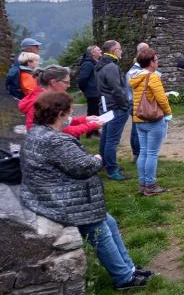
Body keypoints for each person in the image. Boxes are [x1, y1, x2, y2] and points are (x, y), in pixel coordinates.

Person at [20, 92, 153, 290]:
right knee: (99, 228)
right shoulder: (55, 141)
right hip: (59, 201)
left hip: (47, 195)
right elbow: (83, 167)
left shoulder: (38, 133)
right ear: (60, 114)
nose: (71, 116)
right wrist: (97, 159)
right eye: (69, 112)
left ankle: (129, 268)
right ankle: (123, 278)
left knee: (109, 221)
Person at [129, 48, 172, 196]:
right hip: (154, 119)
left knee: (144, 152)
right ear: (151, 62)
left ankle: (143, 183)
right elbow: (161, 98)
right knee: (152, 153)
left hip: (139, 118)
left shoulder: (135, 77)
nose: (158, 62)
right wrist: (168, 113)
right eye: (157, 59)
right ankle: (151, 185)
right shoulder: (153, 77)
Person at [19, 65, 102, 137]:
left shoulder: (44, 98)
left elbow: (60, 122)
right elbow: (63, 131)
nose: (68, 86)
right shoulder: (43, 103)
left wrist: (85, 120)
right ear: (53, 82)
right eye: (66, 82)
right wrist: (91, 126)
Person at [95, 40, 130, 180]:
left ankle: (105, 163)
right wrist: (124, 106)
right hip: (115, 106)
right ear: (114, 50)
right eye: (120, 49)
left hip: (106, 105)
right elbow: (117, 89)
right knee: (112, 140)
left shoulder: (100, 65)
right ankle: (112, 170)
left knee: (106, 136)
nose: (121, 51)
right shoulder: (111, 67)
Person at [127, 42, 150, 161]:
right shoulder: (135, 71)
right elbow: (131, 89)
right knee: (137, 129)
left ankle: (140, 153)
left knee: (138, 128)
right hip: (136, 102)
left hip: (138, 101)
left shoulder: (138, 70)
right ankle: (137, 153)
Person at [78, 45, 103, 138]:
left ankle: (94, 130)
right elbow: (82, 79)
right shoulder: (88, 64)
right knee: (92, 112)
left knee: (96, 112)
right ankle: (89, 132)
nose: (100, 51)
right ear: (92, 53)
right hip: (92, 92)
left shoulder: (95, 62)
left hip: (96, 91)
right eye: (98, 50)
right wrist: (86, 90)